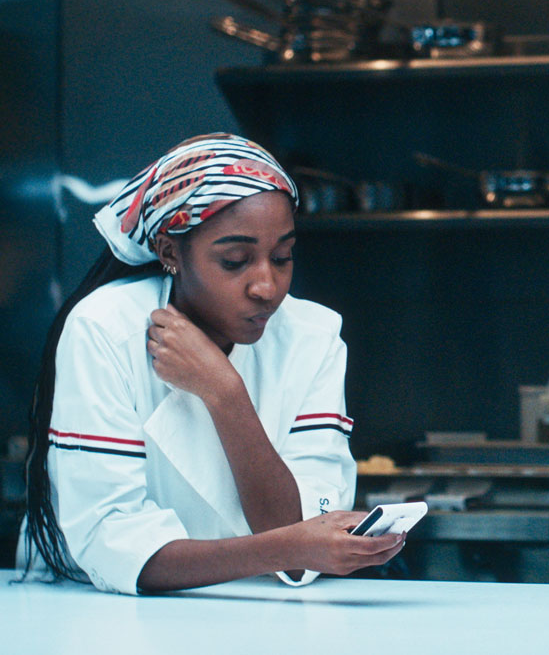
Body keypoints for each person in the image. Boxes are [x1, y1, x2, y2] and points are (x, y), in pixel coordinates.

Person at [19, 133, 404, 594]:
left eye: (282, 257)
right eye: (235, 260)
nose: (267, 287)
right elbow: (115, 546)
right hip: (94, 609)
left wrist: (226, 395)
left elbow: (303, 538)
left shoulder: (312, 337)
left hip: (248, 607)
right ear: (169, 252)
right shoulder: (105, 328)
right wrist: (287, 548)